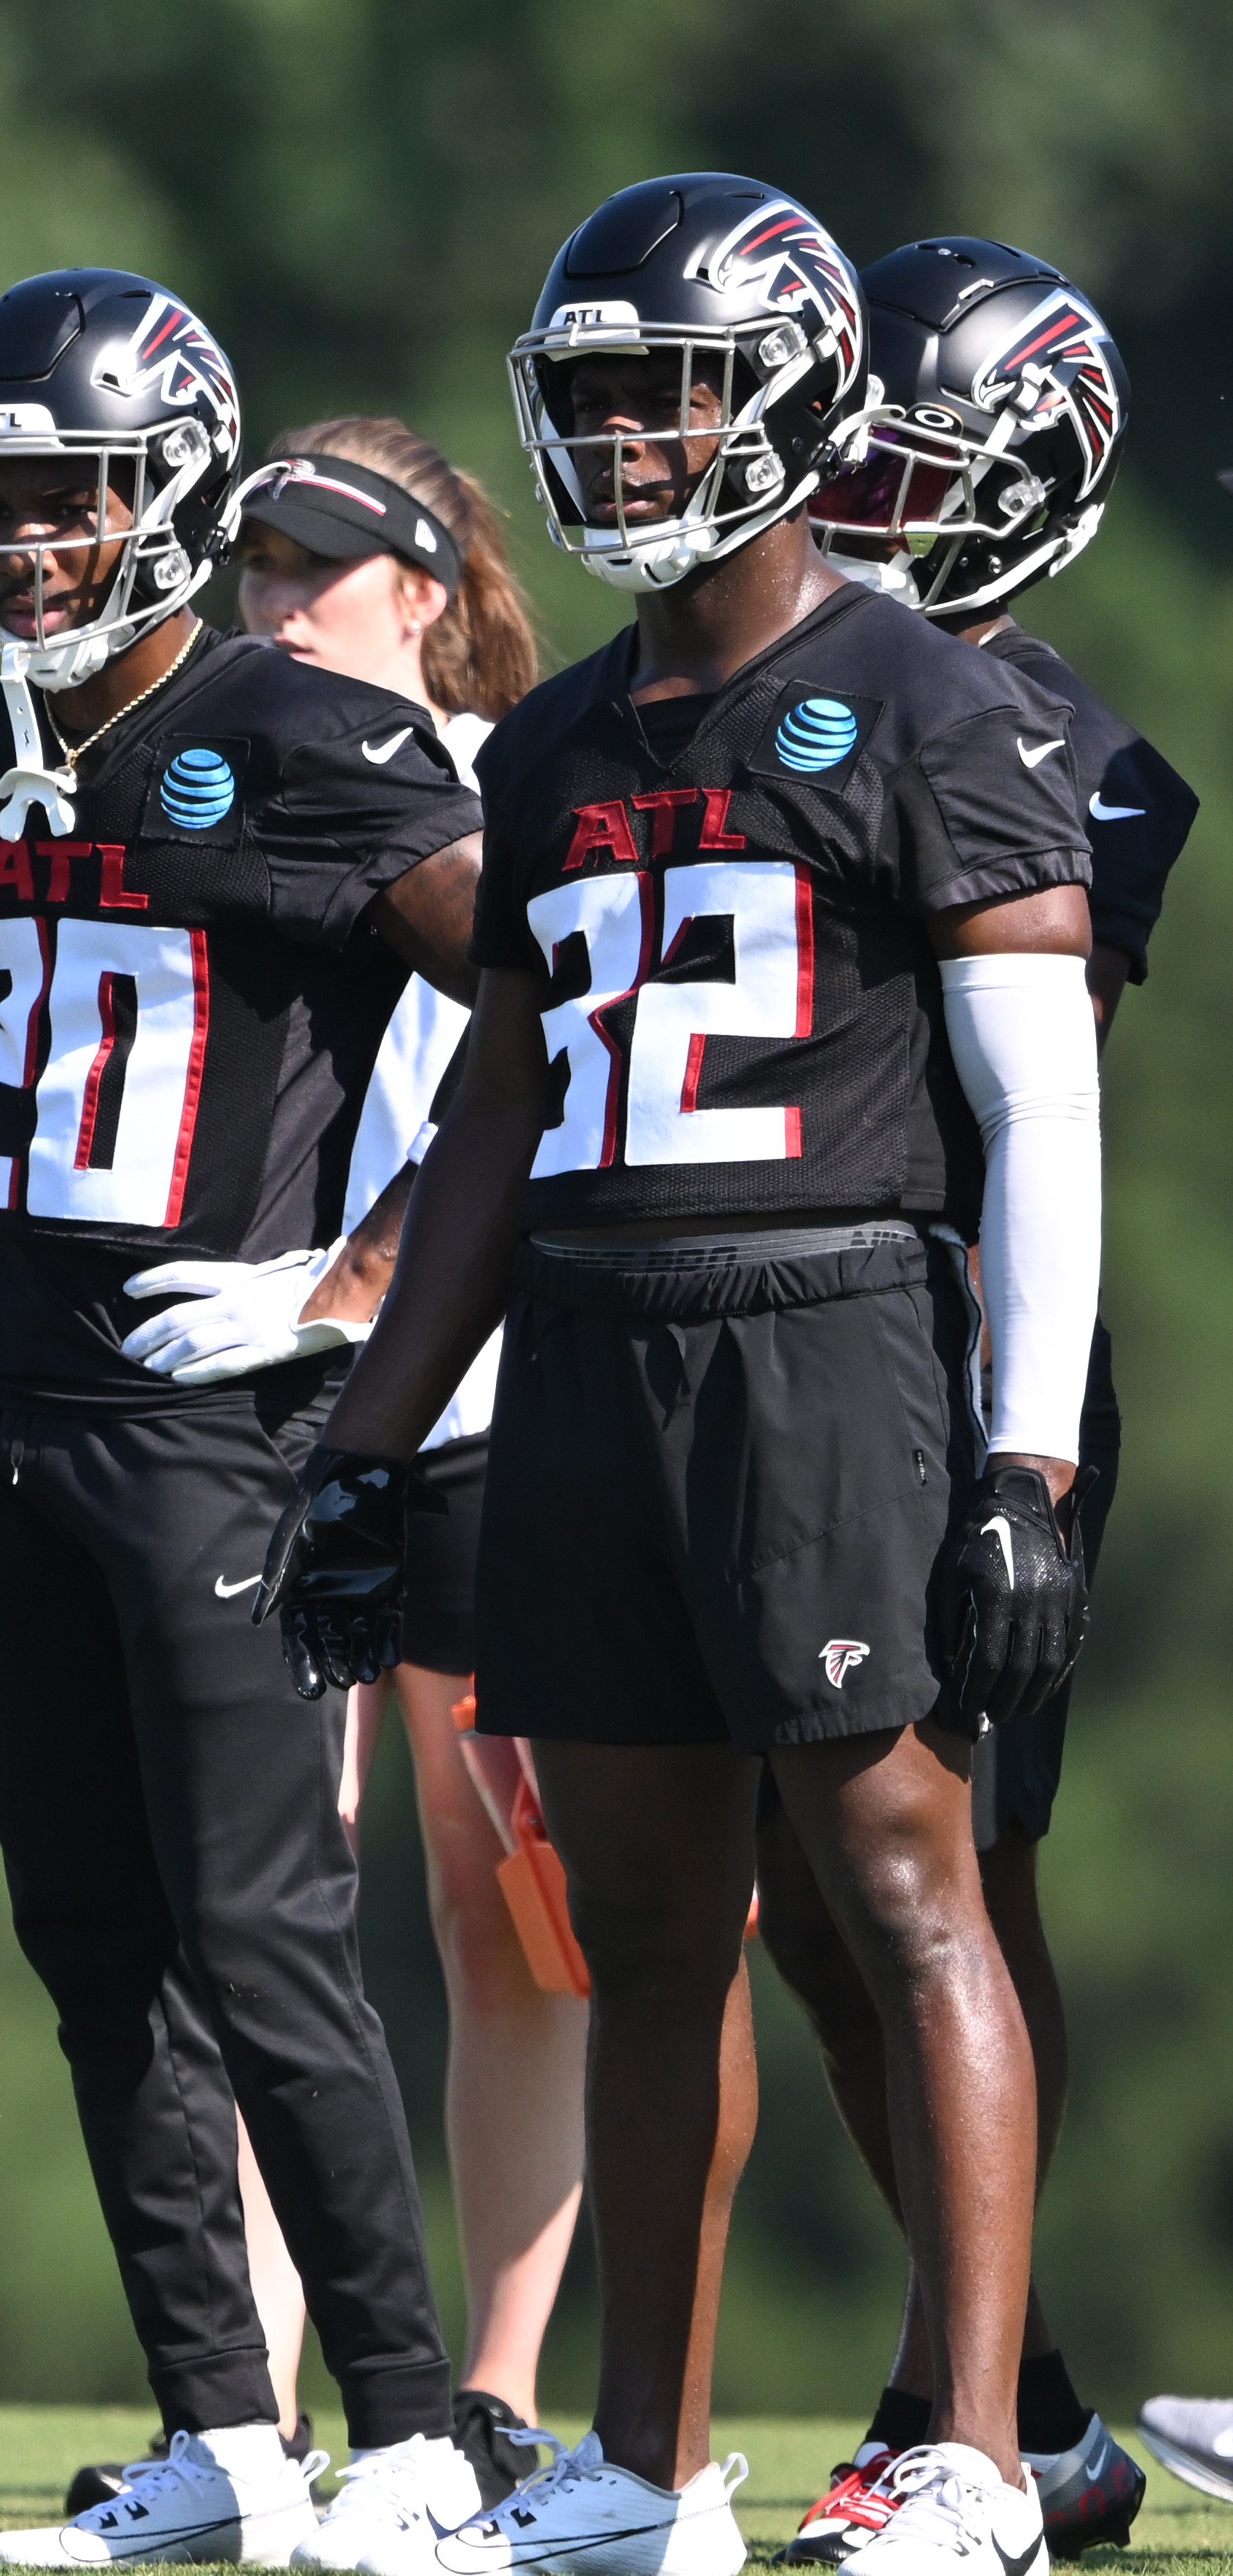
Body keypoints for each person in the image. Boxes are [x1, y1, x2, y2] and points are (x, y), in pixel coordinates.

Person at [262, 174, 1102, 2576]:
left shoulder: (934, 696)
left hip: (827, 1321)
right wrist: (365, 1430)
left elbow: (1043, 1100)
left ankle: (969, 2454)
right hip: (594, 1350)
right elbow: (503, 1116)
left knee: (901, 1880)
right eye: (596, 395)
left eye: (672, 389)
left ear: (791, 397)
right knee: (638, 1929)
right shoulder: (537, 750)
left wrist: (1024, 1447)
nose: (626, 440)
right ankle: (645, 2470)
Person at [0, 267, 492, 2576]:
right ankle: (219, 2439)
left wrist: (345, 1292)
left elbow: (554, 1016)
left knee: (264, 1935)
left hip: (209, 1425)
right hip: (19, 1404)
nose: (25, 548)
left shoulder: (320, 734)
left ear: (161, 494)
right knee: (89, 1940)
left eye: (62, 501)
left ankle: (422, 2434)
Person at [774, 235, 1191, 2567]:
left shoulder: (1068, 748)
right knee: (791, 1899)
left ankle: (967, 2403)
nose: (853, 513)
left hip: (958, 1344)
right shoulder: (776, 680)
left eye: (905, 475)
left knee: (941, 1870)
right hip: (778, 1346)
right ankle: (1012, 2391)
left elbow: (1009, 1088)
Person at [222, 422, 569, 2510]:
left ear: (425, 591)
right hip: (253, 1399)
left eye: (312, 575)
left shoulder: (507, 790)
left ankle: (498, 2382)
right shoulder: (206, 767)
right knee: (269, 1896)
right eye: (249, 571)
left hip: (477, 1403)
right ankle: (250, 2403)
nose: (270, 612)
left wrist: (357, 1287)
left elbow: (516, 1083)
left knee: (501, 1898)